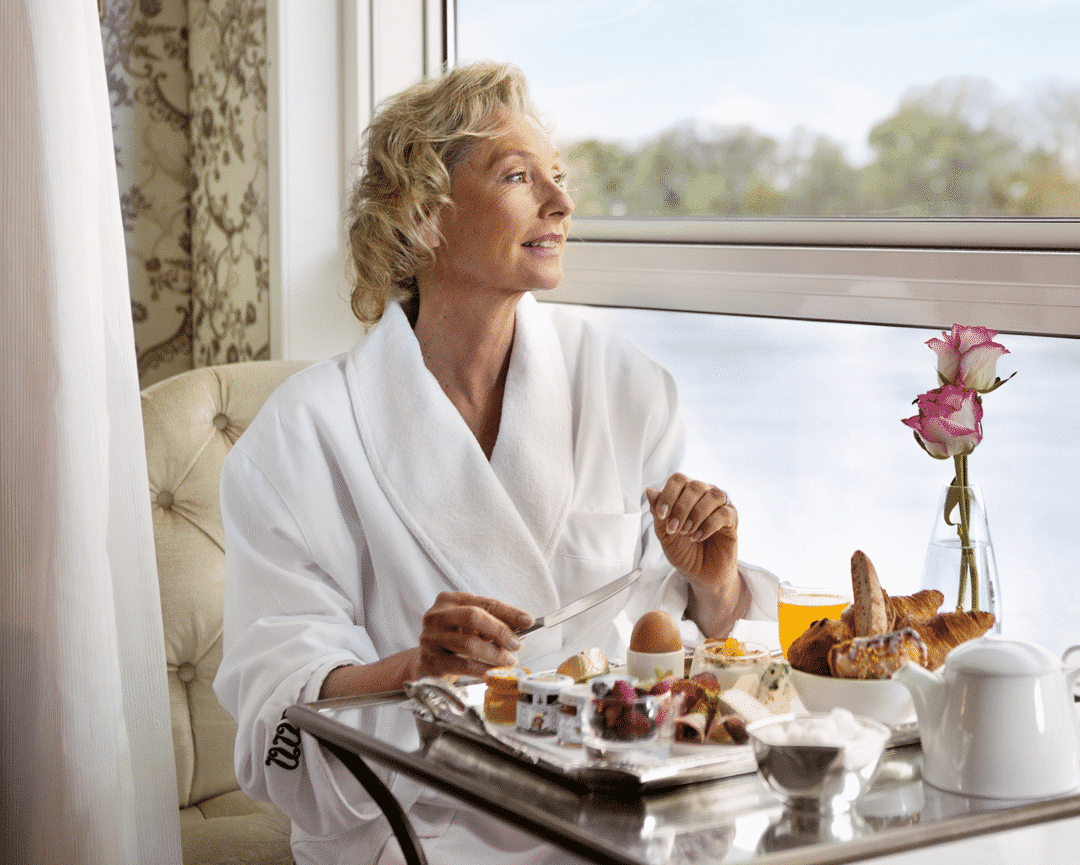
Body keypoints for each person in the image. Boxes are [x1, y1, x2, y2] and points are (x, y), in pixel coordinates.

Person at [213, 62, 780, 864]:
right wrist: (418, 671)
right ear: (423, 215)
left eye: (559, 177)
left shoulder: (627, 387)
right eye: (518, 176)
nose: (561, 203)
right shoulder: (301, 436)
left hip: (614, 816)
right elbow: (280, 716)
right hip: (421, 826)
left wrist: (715, 586)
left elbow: (670, 656)